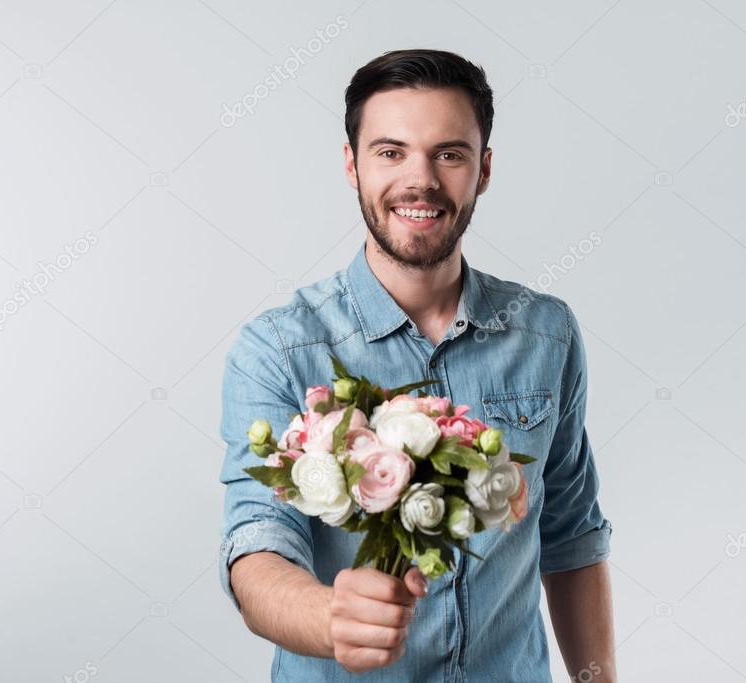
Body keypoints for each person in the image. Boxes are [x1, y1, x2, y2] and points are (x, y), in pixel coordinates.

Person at [218, 48, 615, 682]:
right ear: (352, 165)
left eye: (449, 154)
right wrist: (328, 617)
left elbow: (571, 536)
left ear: (482, 171)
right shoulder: (279, 349)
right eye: (391, 152)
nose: (420, 180)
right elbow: (258, 542)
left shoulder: (548, 334)